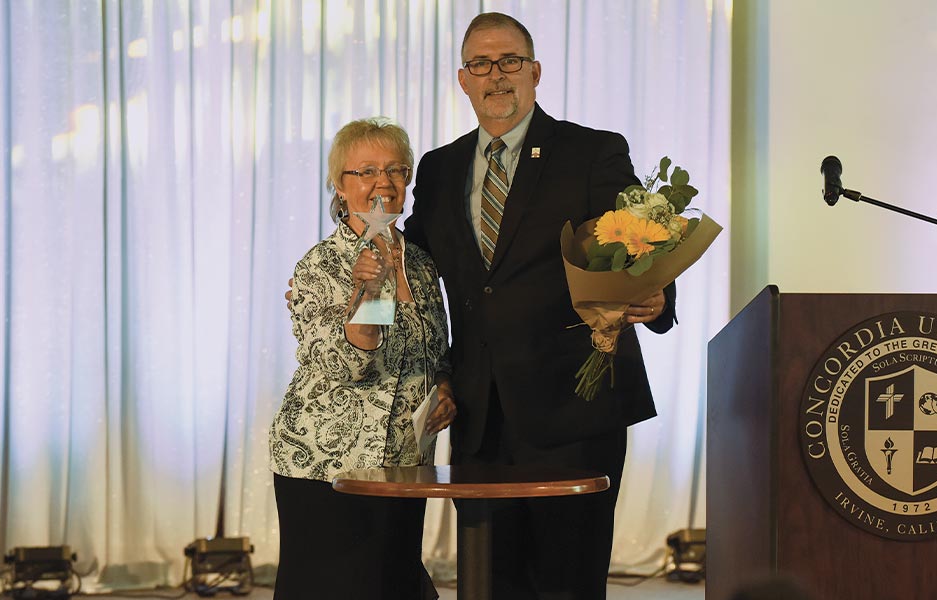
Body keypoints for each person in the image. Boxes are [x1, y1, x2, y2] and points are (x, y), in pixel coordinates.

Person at [402, 12, 676, 600]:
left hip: (575, 410)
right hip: (479, 415)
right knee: (489, 582)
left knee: (567, 583)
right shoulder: (438, 168)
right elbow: (415, 275)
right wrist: (348, 264)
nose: (496, 75)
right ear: (462, 79)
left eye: (510, 62)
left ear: (536, 72)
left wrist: (654, 296)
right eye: (481, 63)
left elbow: (636, 243)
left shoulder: (592, 152)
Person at [269, 117, 457, 600]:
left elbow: (435, 348)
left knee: (392, 583)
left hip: (403, 461)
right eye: (366, 171)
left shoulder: (419, 262)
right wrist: (366, 288)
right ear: (340, 184)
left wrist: (447, 388)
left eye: (396, 170)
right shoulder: (321, 264)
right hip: (327, 465)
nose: (383, 183)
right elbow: (351, 361)